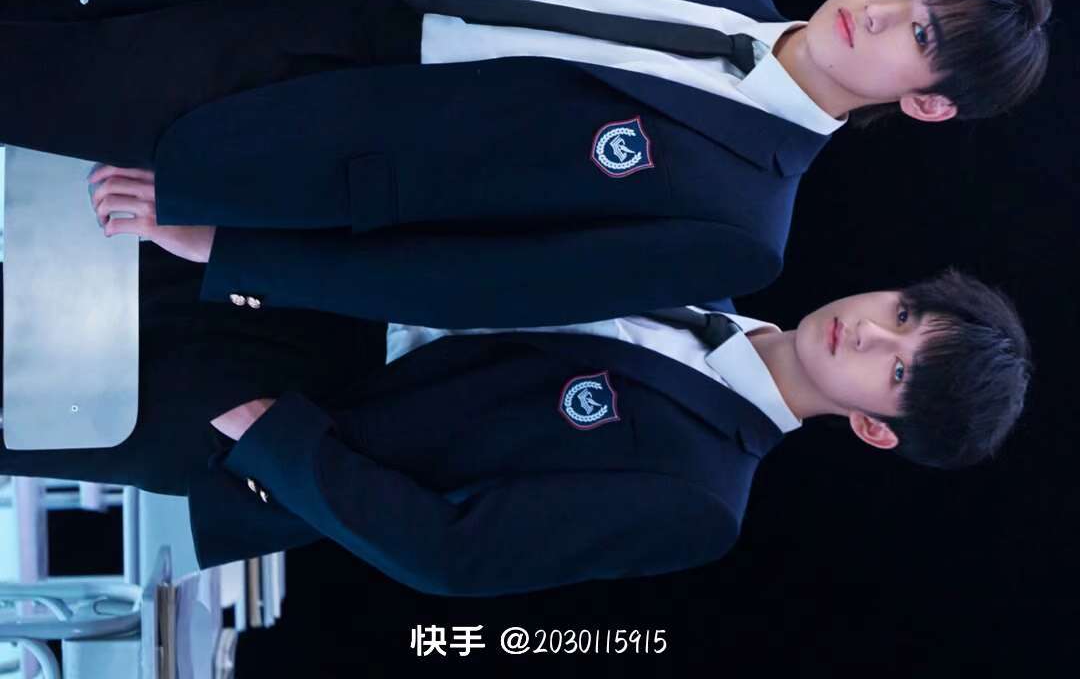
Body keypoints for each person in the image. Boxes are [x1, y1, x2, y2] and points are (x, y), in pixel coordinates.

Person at [2, 0, 1048, 327]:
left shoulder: (742, 225)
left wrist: (235, 251)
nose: (876, 10)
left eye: (919, 33)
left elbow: (476, 285)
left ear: (928, 101)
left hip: (286, 139)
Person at [0, 262, 1033, 592]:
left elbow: (457, 554)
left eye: (897, 369)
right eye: (905, 313)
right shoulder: (699, 276)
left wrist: (280, 444)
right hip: (280, 291)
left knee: (18, 399)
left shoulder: (700, 498)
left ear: (877, 429)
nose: (868, 331)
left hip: (282, 416)